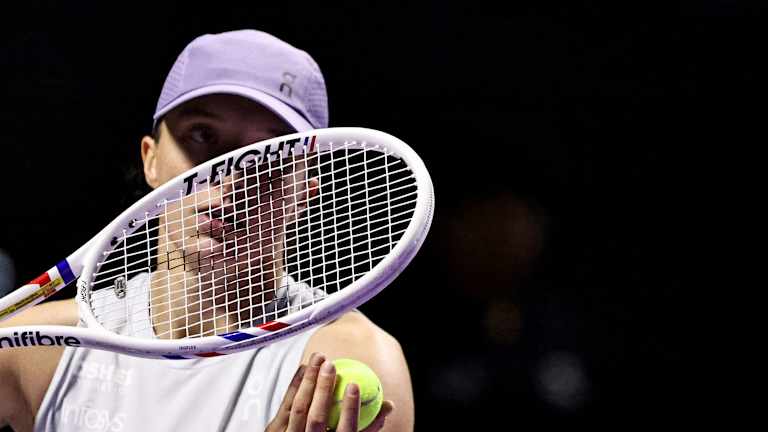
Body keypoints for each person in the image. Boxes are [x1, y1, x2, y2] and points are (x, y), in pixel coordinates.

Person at [0, 29, 413, 432]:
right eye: (202, 135)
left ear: (303, 191)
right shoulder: (32, 348)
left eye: (270, 151)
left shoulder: (350, 363)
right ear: (151, 160)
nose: (232, 175)